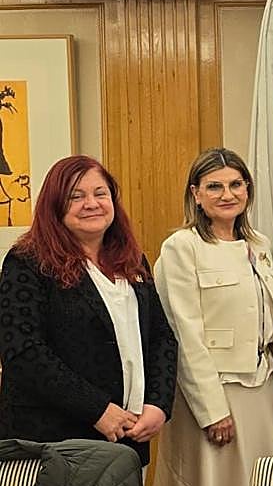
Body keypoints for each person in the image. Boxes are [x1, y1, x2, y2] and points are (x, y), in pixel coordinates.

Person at [150, 148, 273, 486]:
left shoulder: (258, 245)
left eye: (235, 184)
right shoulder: (181, 248)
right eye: (215, 186)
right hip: (214, 395)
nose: (227, 194)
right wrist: (212, 410)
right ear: (196, 194)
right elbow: (183, 335)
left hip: (261, 388)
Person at [0, 155, 176, 466]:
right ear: (55, 206)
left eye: (100, 193)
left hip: (127, 435)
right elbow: (24, 352)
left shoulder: (132, 260)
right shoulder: (27, 262)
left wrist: (158, 404)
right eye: (75, 196)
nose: (91, 203)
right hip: (53, 442)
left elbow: (161, 337)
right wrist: (97, 409)